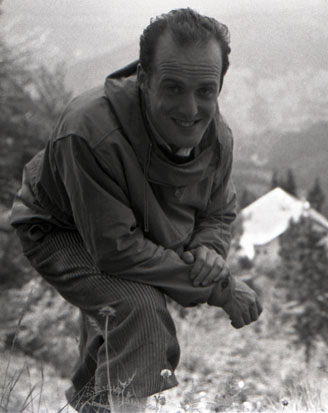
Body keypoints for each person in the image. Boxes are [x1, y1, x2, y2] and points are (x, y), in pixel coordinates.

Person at [9, 8, 262, 412]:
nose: (191, 109)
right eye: (173, 88)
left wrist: (209, 251)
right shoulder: (89, 132)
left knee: (114, 320)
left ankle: (94, 406)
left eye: (206, 91)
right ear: (144, 78)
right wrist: (220, 288)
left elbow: (218, 210)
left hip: (132, 226)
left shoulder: (217, 137)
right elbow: (116, 250)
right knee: (138, 307)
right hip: (59, 227)